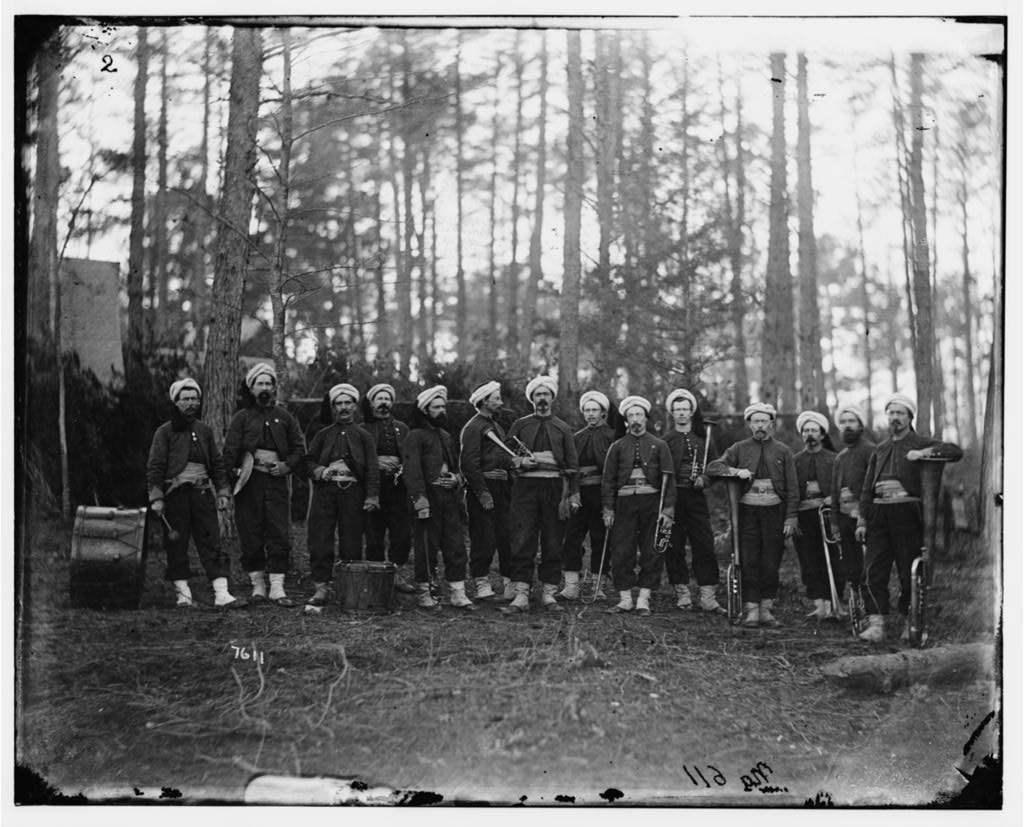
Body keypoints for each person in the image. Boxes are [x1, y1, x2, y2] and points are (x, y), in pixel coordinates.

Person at [855, 393, 963, 643]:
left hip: (907, 513)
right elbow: (867, 489)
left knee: (908, 570)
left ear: (910, 417)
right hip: (879, 514)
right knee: (873, 570)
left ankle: (910, 621)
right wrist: (862, 520)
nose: (895, 417)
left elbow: (954, 451)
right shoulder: (880, 449)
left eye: (900, 413)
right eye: (891, 413)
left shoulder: (919, 441)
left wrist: (924, 452)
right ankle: (876, 624)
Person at [147, 378, 245, 609]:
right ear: (176, 402)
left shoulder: (204, 431)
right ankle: (183, 595)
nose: (191, 403)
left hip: (202, 496)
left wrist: (222, 492)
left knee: (212, 542)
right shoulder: (164, 432)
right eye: (186, 399)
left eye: (194, 399)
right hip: (176, 497)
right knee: (177, 546)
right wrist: (157, 497)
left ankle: (222, 594)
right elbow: (155, 467)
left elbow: (217, 464)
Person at [706, 403, 798, 628]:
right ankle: (751, 610)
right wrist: (736, 471)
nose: (760, 426)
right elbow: (713, 467)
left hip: (774, 512)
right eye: (755, 422)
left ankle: (766, 609)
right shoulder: (739, 448)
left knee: (771, 560)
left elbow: (793, 487)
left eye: (764, 421)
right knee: (749, 559)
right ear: (749, 424)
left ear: (771, 424)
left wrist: (791, 517)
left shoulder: (783, 451)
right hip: (747, 512)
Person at [223, 363, 305, 607]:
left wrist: (287, 466)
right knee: (250, 532)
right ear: (251, 388)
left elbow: (298, 448)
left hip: (276, 481)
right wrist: (230, 478)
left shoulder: (285, 417)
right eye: (260, 383)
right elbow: (230, 451)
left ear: (274, 388)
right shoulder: (242, 418)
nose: (265, 388)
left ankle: (277, 587)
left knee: (278, 531)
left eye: (269, 384)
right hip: (249, 482)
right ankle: (258, 585)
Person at [503, 376, 580, 613]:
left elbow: (573, 464)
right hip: (525, 489)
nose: (542, 398)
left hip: (555, 489)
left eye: (546, 394)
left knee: (553, 541)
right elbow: (503, 455)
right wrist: (519, 461)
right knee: (523, 539)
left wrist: (574, 494)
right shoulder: (520, 425)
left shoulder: (563, 428)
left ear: (552, 398)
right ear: (532, 399)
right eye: (538, 394)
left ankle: (549, 593)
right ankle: (521, 594)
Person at [303, 383, 381, 607]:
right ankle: (321, 587)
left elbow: (372, 468)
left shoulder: (364, 436)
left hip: (353, 492)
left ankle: (350, 587)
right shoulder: (323, 434)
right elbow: (307, 461)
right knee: (320, 538)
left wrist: (372, 496)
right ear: (333, 407)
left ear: (355, 406)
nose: (344, 407)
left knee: (352, 539)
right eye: (339, 403)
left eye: (348, 403)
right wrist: (320, 471)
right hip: (326, 491)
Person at [402, 385, 476, 611]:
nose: (441, 411)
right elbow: (412, 471)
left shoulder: (446, 436)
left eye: (443, 406)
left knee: (455, 545)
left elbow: (456, 468)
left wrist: (455, 479)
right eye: (436, 407)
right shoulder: (415, 436)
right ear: (425, 410)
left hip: (449, 499)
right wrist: (420, 501)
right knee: (427, 547)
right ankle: (426, 593)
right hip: (428, 498)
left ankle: (457, 593)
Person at [601, 396, 675, 616]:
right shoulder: (616, 447)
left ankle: (643, 599)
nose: (635, 419)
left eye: (639, 415)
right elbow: (608, 481)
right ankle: (625, 599)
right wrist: (608, 509)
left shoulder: (659, 445)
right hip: (624, 503)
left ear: (646, 418)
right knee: (621, 550)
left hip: (652, 502)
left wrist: (668, 510)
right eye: (631, 415)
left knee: (652, 550)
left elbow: (669, 479)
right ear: (626, 420)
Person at [459, 380, 525, 601]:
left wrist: (517, 463)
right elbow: (468, 464)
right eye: (496, 399)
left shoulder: (497, 427)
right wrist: (482, 492)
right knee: (483, 538)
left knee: (506, 537)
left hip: (503, 489)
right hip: (484, 489)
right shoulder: (472, 427)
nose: (501, 402)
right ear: (484, 402)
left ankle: (509, 585)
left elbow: (502, 457)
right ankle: (482, 586)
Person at [663, 388, 725, 614]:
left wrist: (705, 479)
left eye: (685, 409)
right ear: (672, 413)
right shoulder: (666, 441)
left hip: (696, 498)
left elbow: (716, 467)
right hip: (672, 498)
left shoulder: (704, 438)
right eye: (677, 410)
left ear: (691, 412)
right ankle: (682, 594)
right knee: (674, 545)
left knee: (704, 544)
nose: (681, 413)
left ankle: (708, 597)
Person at [558, 390, 616, 601]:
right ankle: (571, 586)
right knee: (572, 538)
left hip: (602, 494)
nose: (591, 414)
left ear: (603, 412)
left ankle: (597, 585)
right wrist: (573, 494)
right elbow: (571, 468)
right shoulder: (576, 437)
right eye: (587, 410)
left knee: (600, 539)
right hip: (579, 495)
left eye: (595, 410)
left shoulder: (612, 437)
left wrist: (610, 502)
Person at [360, 383, 414, 593]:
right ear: (371, 403)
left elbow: (410, 455)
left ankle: (396, 574)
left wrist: (403, 467)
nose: (384, 403)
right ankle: (376, 577)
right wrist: (375, 465)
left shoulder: (403, 428)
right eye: (379, 399)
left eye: (387, 399)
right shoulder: (362, 429)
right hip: (373, 486)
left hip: (398, 486)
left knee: (402, 533)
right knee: (374, 533)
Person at [792, 410, 841, 620]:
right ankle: (820, 604)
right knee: (809, 559)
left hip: (828, 514)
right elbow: (790, 491)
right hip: (803, 515)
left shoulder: (834, 459)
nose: (810, 434)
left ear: (822, 434)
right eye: (806, 431)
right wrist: (792, 516)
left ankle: (835, 602)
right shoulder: (795, 460)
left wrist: (833, 498)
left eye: (814, 430)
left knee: (833, 557)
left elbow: (842, 485)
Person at [829, 403, 876, 619]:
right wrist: (835, 523)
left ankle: (872, 607)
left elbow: (873, 486)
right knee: (851, 564)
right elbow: (834, 491)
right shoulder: (840, 457)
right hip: (844, 518)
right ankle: (857, 607)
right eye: (843, 422)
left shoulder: (871, 451)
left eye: (851, 421)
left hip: (864, 518)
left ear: (860, 425)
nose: (847, 426)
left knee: (869, 566)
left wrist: (864, 516)